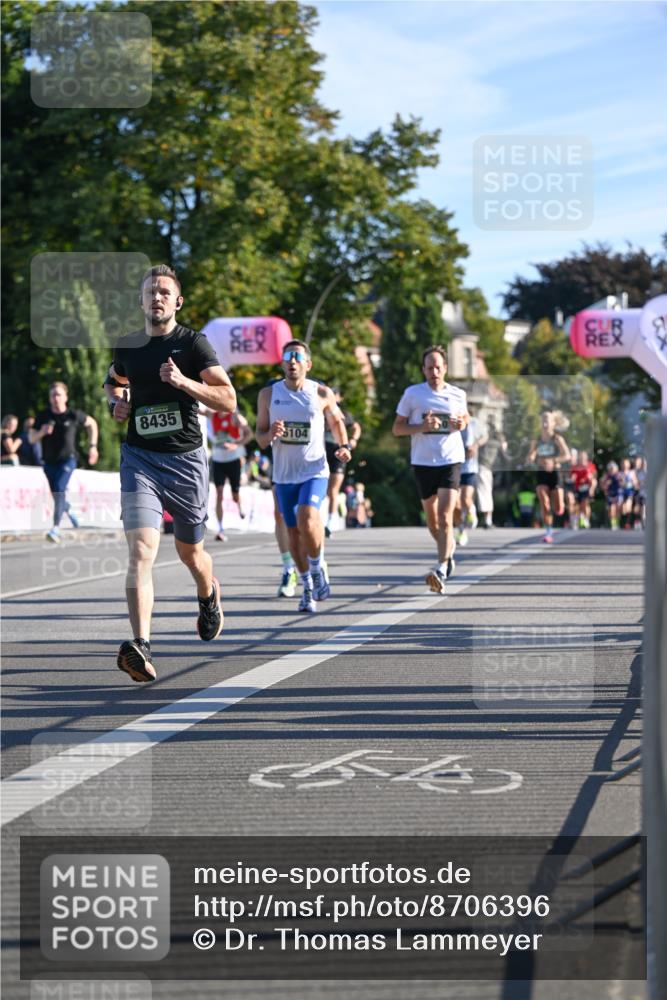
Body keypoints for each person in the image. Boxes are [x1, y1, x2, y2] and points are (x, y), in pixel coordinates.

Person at [104, 264, 235, 683]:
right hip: (140, 459)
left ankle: (208, 592)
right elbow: (114, 382)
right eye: (149, 292)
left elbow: (228, 399)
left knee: (190, 554)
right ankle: (140, 644)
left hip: (186, 462)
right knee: (142, 550)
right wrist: (116, 403)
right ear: (141, 302)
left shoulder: (193, 345)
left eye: (164, 292)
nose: (156, 297)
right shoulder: (128, 345)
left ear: (177, 301)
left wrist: (184, 383)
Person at [255, 340, 351, 613]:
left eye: (298, 357)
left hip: (315, 470)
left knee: (307, 518)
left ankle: (318, 564)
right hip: (284, 475)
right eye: (288, 356)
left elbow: (336, 422)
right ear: (282, 363)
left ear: (308, 365)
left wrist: (344, 447)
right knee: (293, 533)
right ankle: (307, 584)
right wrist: (270, 433)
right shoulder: (267, 395)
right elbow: (260, 438)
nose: (292, 361)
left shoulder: (321, 392)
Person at [392, 345, 469, 593]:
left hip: (450, 460)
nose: (434, 371)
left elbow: (465, 418)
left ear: (445, 368)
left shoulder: (457, 394)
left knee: (446, 518)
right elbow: (397, 429)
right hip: (423, 462)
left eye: (438, 367)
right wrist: (421, 427)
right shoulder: (413, 394)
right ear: (423, 370)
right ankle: (448, 553)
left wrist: (461, 423)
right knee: (433, 522)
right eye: (429, 368)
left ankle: (441, 568)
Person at [30, 383, 99, 542]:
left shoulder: (73, 414)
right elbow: (31, 438)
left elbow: (92, 424)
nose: (55, 398)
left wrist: (93, 446)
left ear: (65, 397)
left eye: (58, 394)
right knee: (56, 494)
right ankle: (67, 508)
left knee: (60, 489)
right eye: (53, 395)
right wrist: (42, 432)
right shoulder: (43, 416)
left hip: (68, 460)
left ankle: (55, 528)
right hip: (48, 462)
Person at [206, 406, 253, 541]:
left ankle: (239, 505)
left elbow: (249, 434)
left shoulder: (235, 417)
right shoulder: (212, 414)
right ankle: (220, 528)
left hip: (233, 460)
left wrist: (236, 445)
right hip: (218, 460)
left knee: (235, 494)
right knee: (219, 493)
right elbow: (197, 408)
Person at [526, 410, 571, 544]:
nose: (545, 422)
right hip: (542, 472)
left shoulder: (557, 439)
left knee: (557, 507)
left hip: (555, 473)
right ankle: (548, 532)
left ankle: (560, 508)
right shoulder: (537, 440)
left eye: (548, 420)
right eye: (543, 419)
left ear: (553, 423)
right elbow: (531, 455)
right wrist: (531, 458)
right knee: (544, 503)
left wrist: (554, 461)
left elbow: (567, 455)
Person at [325, 388, 361, 537]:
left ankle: (330, 521)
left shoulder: (345, 414)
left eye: (335, 394)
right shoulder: (321, 409)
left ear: (340, 397)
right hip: (321, 450)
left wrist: (353, 440)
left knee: (333, 489)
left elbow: (356, 427)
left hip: (338, 451)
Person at [454, 405, 487, 546]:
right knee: (455, 504)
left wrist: (475, 445)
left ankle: (471, 510)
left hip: (469, 467)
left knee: (465, 498)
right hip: (453, 467)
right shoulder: (449, 421)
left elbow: (485, 436)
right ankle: (461, 530)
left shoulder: (473, 422)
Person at [476, 416, 506, 528]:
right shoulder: (497, 440)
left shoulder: (484, 438)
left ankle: (485, 519)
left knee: (484, 492)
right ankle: (486, 520)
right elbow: (505, 454)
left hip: (484, 467)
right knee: (485, 492)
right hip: (485, 468)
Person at [570, 450, 597, 528]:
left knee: (585, 503)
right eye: (581, 456)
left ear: (586, 457)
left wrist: (591, 478)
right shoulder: (575, 466)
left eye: (583, 456)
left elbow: (594, 476)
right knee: (577, 505)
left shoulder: (590, 465)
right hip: (577, 488)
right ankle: (577, 521)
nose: (582, 458)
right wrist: (572, 479)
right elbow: (572, 476)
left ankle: (586, 519)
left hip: (587, 487)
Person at [600, 460, 623, 529]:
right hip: (610, 494)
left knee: (618, 508)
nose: (612, 470)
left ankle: (617, 522)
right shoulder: (606, 476)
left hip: (618, 494)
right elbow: (602, 485)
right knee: (611, 508)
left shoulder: (618, 475)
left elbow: (623, 483)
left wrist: (620, 481)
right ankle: (613, 523)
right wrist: (605, 485)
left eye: (613, 468)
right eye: (610, 469)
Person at [619, 457, 638, 530]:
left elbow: (635, 481)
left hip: (629, 491)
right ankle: (623, 522)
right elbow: (618, 483)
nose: (625, 465)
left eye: (626, 463)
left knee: (628, 507)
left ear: (629, 464)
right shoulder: (619, 473)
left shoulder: (632, 472)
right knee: (622, 508)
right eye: (623, 464)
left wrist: (635, 484)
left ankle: (628, 523)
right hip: (621, 492)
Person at [633, 455, 646, 530]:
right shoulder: (637, 471)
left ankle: (643, 522)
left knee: (644, 508)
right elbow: (635, 482)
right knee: (637, 507)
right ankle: (637, 522)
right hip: (639, 492)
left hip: (646, 493)